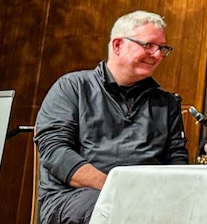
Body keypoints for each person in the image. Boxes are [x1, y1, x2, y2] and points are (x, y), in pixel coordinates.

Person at [35, 11, 188, 224]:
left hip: (148, 200)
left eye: (162, 48)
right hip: (74, 197)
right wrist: (117, 190)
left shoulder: (167, 103)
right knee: (115, 209)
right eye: (148, 45)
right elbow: (55, 152)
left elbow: (176, 163)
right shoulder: (72, 87)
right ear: (117, 45)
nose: (157, 54)